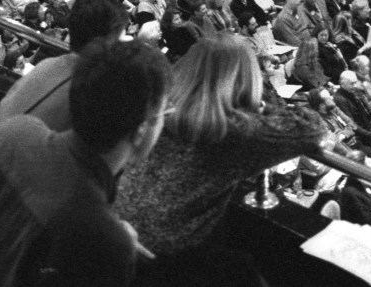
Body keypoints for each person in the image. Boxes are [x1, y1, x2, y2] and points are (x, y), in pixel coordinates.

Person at [0, 40, 171, 287]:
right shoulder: (105, 242)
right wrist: (112, 241)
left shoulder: (13, 132)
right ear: (142, 130)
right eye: (162, 113)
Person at [115, 34, 324, 286]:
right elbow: (312, 128)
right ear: (245, 78)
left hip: (121, 235)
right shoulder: (230, 129)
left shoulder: (161, 102)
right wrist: (259, 100)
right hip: (168, 259)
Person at [0, 0, 129, 125]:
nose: (124, 43)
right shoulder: (91, 90)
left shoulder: (46, 64)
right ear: (107, 40)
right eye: (121, 36)